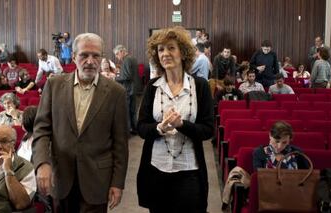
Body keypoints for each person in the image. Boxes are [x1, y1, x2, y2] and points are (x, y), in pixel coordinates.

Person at [32, 33, 128, 213]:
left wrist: (117, 182)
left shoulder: (117, 92)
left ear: (101, 58)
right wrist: (42, 163)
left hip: (97, 180)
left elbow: (120, 143)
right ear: (74, 56)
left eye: (96, 55)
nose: (90, 61)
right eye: (84, 55)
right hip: (60, 177)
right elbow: (41, 129)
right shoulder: (54, 85)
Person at [138, 26, 214, 213]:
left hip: (189, 171)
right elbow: (140, 127)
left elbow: (208, 130)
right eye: (161, 49)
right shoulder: (152, 87)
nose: (165, 54)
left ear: (183, 52)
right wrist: (159, 128)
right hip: (156, 169)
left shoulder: (200, 86)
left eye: (171, 48)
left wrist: (182, 125)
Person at [114, 44, 140, 134]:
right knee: (133, 110)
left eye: (117, 54)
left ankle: (128, 130)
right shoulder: (132, 58)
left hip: (129, 89)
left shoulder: (126, 60)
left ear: (121, 51)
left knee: (128, 110)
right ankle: (135, 129)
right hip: (134, 88)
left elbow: (127, 76)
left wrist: (115, 78)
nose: (117, 57)